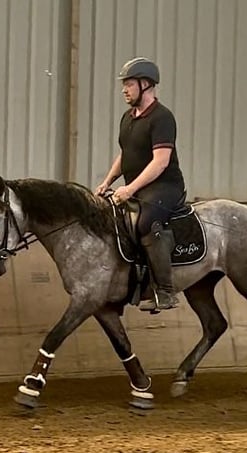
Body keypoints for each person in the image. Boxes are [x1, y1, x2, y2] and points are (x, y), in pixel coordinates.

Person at [95, 57, 185, 312]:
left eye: (129, 84)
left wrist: (130, 189)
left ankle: (165, 291)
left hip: (165, 187)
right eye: (124, 84)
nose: (124, 89)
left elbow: (160, 162)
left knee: (145, 222)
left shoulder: (162, 118)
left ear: (145, 84)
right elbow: (126, 154)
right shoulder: (128, 117)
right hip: (139, 186)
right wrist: (107, 182)